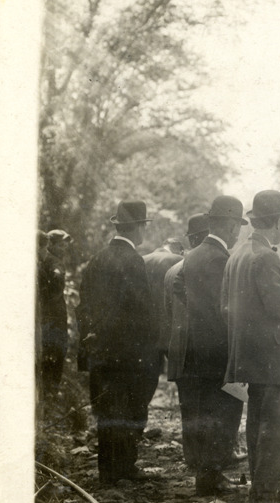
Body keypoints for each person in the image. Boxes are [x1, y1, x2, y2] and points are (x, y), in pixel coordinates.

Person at [222, 190, 280, 503]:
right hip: (273, 354)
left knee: (257, 419)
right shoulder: (266, 256)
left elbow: (224, 307)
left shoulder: (237, 254)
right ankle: (267, 489)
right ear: (278, 221)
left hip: (249, 353)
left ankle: (261, 485)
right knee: (277, 421)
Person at [76, 200, 157, 485]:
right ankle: (124, 468)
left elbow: (82, 307)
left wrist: (90, 342)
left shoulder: (96, 260)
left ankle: (108, 471)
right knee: (130, 408)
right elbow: (142, 310)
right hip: (129, 353)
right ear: (138, 227)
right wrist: (150, 346)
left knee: (107, 412)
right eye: (143, 226)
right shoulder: (133, 261)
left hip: (101, 352)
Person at [184, 196, 248, 496]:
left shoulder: (194, 255)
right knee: (224, 412)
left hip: (198, 348)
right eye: (237, 227)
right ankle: (212, 478)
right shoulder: (219, 259)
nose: (237, 234)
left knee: (206, 411)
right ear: (231, 226)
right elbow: (225, 309)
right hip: (219, 349)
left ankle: (208, 476)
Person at [165, 213, 211, 468]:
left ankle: (193, 459)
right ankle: (208, 465)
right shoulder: (201, 266)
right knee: (208, 408)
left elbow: (167, 313)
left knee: (190, 408)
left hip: (179, 350)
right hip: (199, 349)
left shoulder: (172, 269)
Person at [141, 237, 185, 427]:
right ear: (179, 250)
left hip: (146, 332)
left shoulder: (143, 259)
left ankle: (137, 427)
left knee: (146, 380)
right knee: (184, 381)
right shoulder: (179, 261)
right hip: (171, 329)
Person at [36, 229, 72, 398]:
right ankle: (51, 394)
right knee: (55, 355)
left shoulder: (47, 261)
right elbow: (55, 277)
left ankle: (50, 394)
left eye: (65, 245)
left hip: (52, 317)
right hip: (53, 319)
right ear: (50, 245)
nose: (64, 249)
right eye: (61, 245)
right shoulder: (53, 262)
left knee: (53, 356)